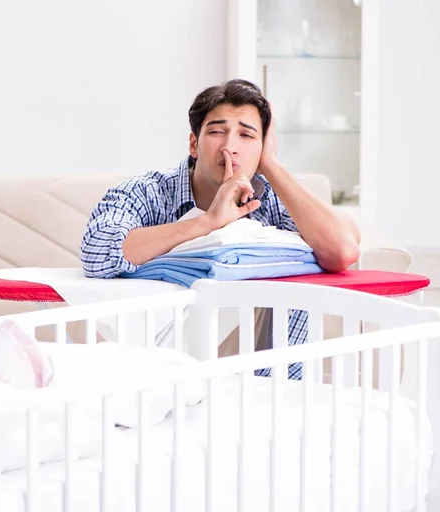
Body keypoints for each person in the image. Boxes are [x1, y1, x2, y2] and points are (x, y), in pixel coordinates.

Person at [80, 78, 360, 379]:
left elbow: (342, 250)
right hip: (160, 381)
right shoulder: (148, 192)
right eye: (216, 132)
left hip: (270, 394)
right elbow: (97, 252)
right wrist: (207, 223)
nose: (230, 147)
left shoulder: (277, 200)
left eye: (246, 136)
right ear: (193, 144)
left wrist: (271, 165)